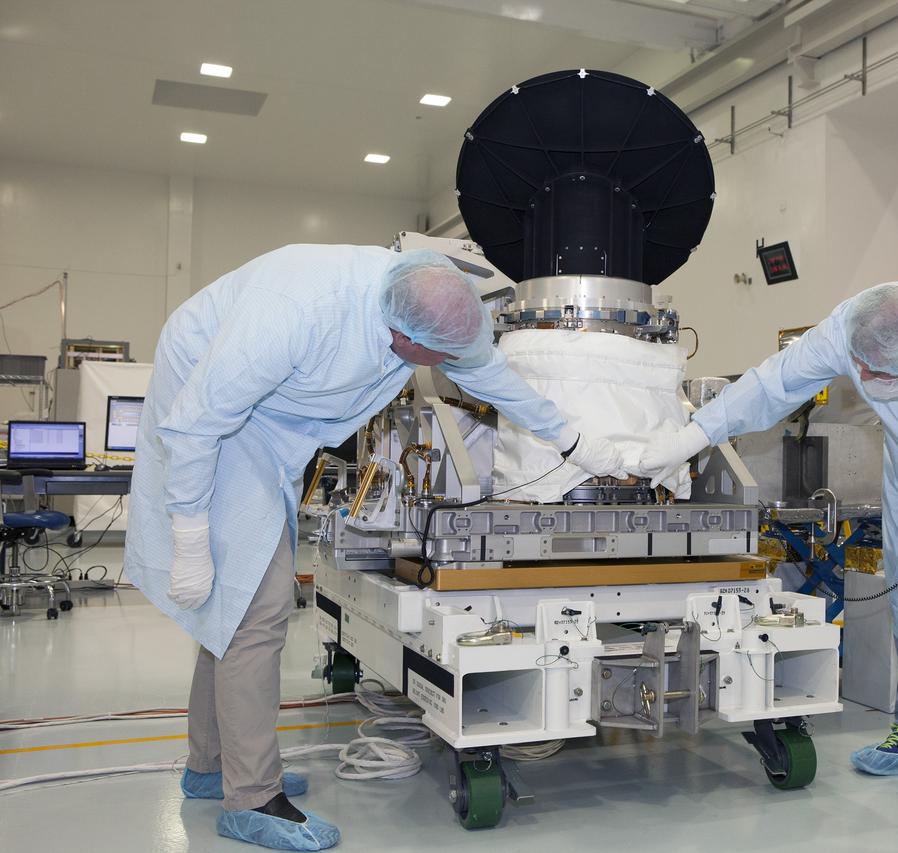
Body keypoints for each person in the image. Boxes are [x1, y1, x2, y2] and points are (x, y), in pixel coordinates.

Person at [123, 245, 627, 850]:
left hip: (270, 428)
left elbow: (488, 375)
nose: (447, 366)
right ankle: (251, 797)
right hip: (212, 418)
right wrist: (189, 538)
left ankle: (210, 767)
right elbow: (197, 422)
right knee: (255, 613)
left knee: (233, 610)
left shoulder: (427, 305)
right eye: (435, 358)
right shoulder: (294, 311)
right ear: (401, 338)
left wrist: (575, 442)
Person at [638, 278, 898, 798]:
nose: (868, 377)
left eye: (884, 373)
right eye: (863, 367)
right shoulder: (851, 324)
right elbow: (772, 384)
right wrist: (692, 436)